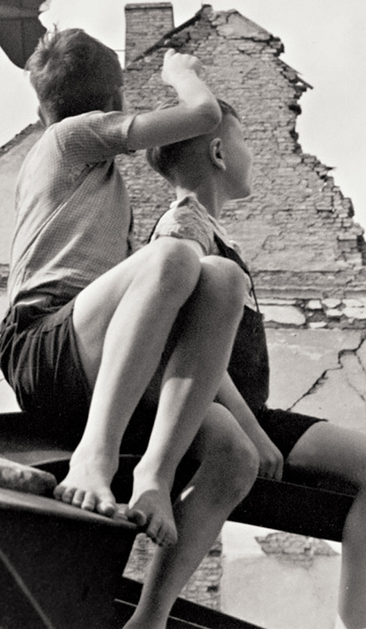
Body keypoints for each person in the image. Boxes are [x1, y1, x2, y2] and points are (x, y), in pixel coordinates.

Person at [0, 28, 259, 599]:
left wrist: (250, 424)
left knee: (234, 451)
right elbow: (203, 114)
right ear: (115, 102)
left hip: (91, 355)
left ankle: (151, 585)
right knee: (172, 259)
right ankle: (95, 456)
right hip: (41, 341)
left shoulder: (98, 190)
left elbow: (185, 343)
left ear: (38, 106)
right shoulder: (70, 138)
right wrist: (179, 72)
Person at [147, 100, 366, 629]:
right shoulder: (183, 229)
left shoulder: (213, 232)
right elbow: (186, 345)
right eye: (245, 142)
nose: (253, 155)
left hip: (254, 412)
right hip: (234, 414)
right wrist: (249, 428)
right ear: (219, 152)